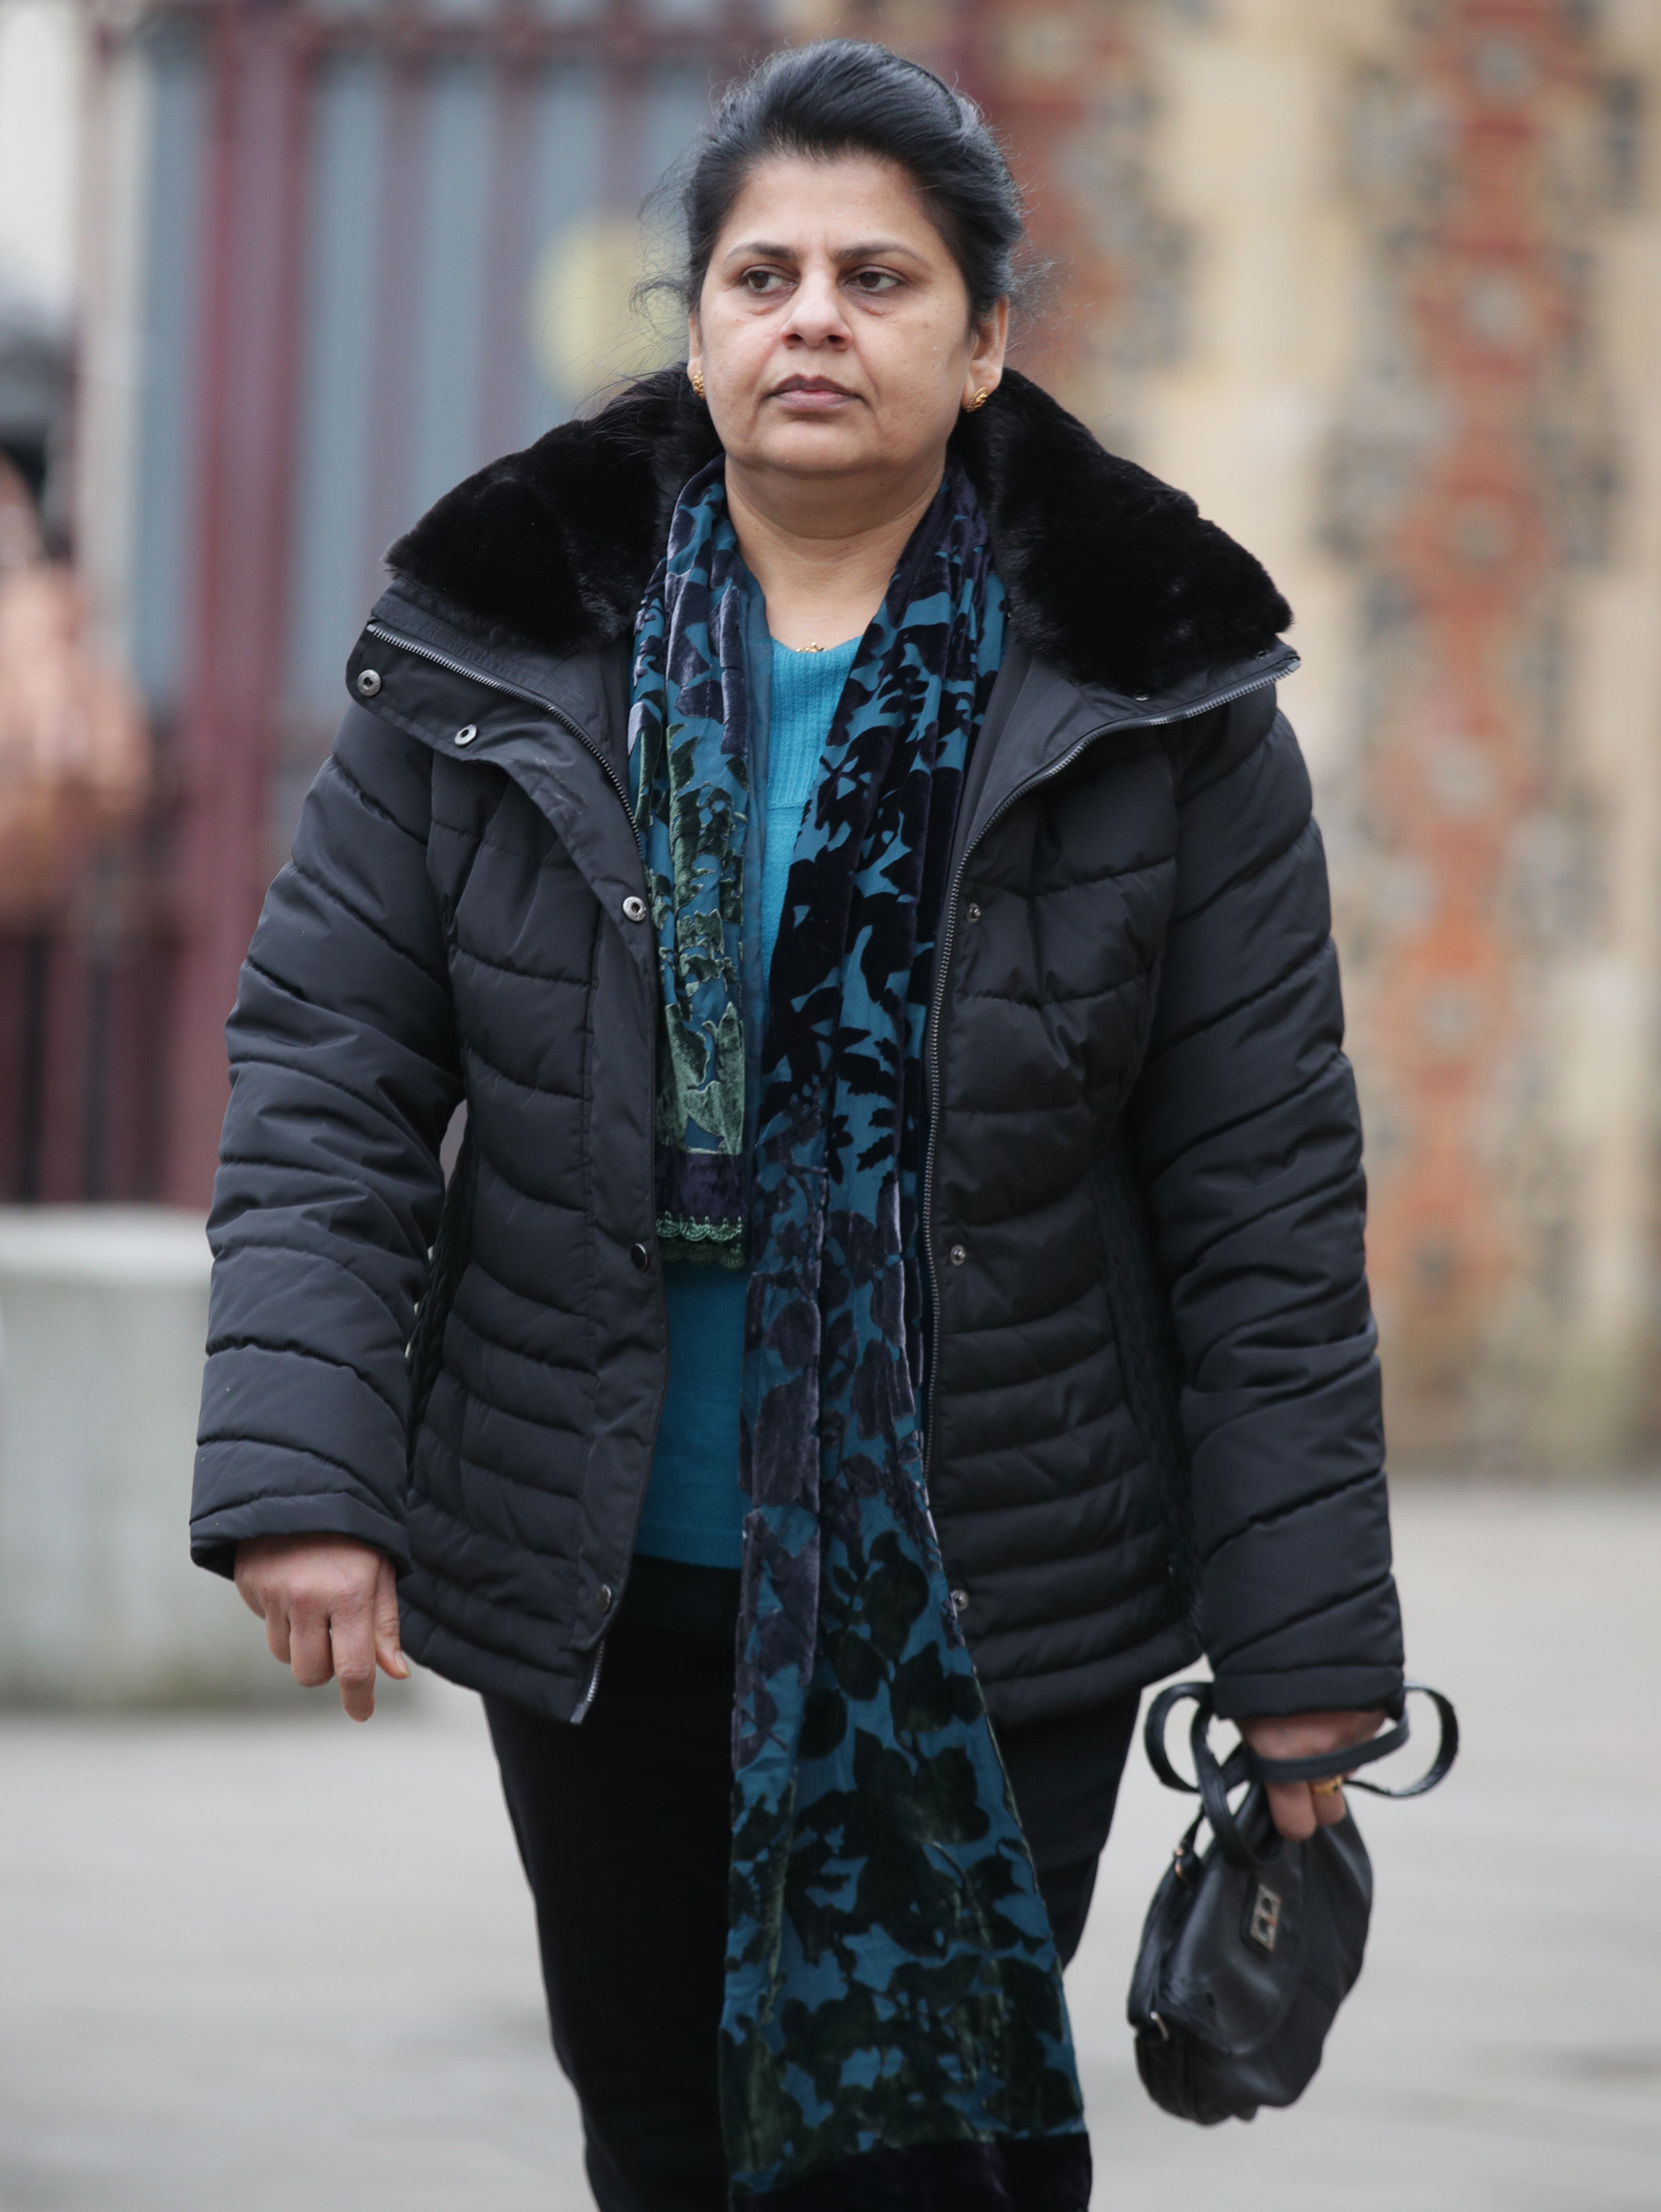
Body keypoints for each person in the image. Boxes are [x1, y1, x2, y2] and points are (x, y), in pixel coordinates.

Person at [191, 39, 1404, 2212]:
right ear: (697, 324)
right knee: (663, 2139)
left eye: (879, 275)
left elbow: (1265, 1196)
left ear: (988, 338)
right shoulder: (492, 647)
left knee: (922, 2163)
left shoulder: (1163, 694)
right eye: (761, 276)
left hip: (992, 1579)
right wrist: (308, 1476)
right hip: (601, 1563)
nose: (815, 318)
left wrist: (1308, 1652)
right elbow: (326, 1072)